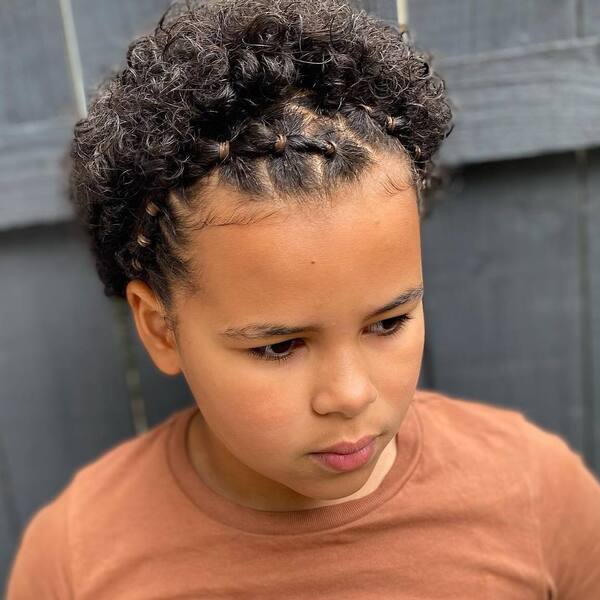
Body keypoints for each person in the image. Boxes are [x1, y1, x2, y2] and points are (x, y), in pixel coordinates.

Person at [6, 0, 600, 597]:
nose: (349, 395)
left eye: (388, 323)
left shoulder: (535, 491)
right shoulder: (78, 558)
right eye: (279, 346)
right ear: (161, 328)